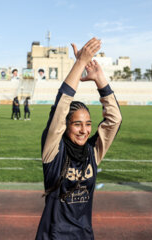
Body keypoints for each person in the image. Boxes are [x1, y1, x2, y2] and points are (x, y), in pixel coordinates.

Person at [35, 38, 122, 240]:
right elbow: (62, 105)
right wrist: (80, 63)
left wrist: (100, 79)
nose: (84, 130)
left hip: (84, 235)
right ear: (65, 126)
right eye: (77, 124)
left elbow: (114, 120)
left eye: (88, 124)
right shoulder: (53, 151)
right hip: (54, 236)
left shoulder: (93, 152)